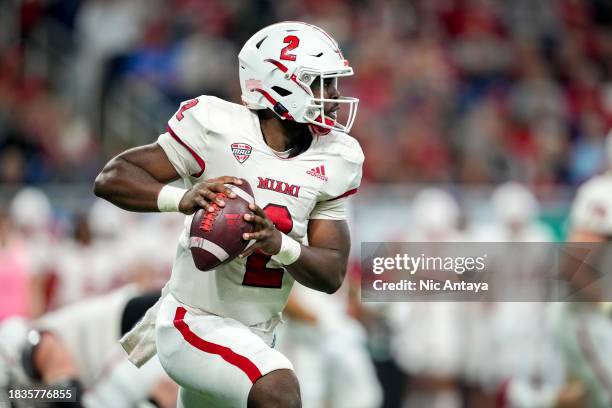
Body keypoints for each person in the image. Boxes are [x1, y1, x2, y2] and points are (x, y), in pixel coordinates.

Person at [94, 21, 363, 408]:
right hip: (193, 321)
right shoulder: (215, 127)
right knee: (278, 390)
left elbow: (332, 271)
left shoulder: (337, 157)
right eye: (323, 83)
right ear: (280, 83)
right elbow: (112, 177)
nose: (335, 96)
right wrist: (180, 198)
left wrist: (279, 244)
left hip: (259, 332)